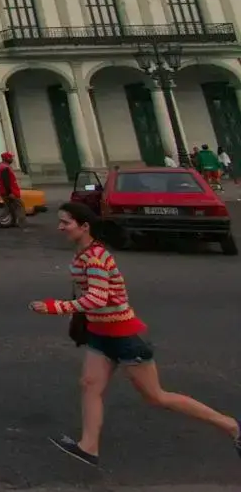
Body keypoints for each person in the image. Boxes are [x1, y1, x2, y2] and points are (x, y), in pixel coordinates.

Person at [29, 200, 241, 467]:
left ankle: (232, 427)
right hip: (101, 333)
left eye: (65, 222)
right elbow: (89, 297)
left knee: (156, 396)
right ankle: (88, 447)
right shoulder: (82, 253)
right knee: (89, 385)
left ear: (84, 226)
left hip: (123, 336)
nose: (60, 227)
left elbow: (97, 298)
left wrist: (55, 307)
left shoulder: (94, 257)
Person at [0, 152, 25, 227]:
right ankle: (21, 223)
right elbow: (6, 181)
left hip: (3, 191)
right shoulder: (5, 168)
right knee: (19, 206)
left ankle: (12, 221)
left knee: (10, 207)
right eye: (11, 157)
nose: (12, 159)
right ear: (6, 158)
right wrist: (10, 193)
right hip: (10, 192)